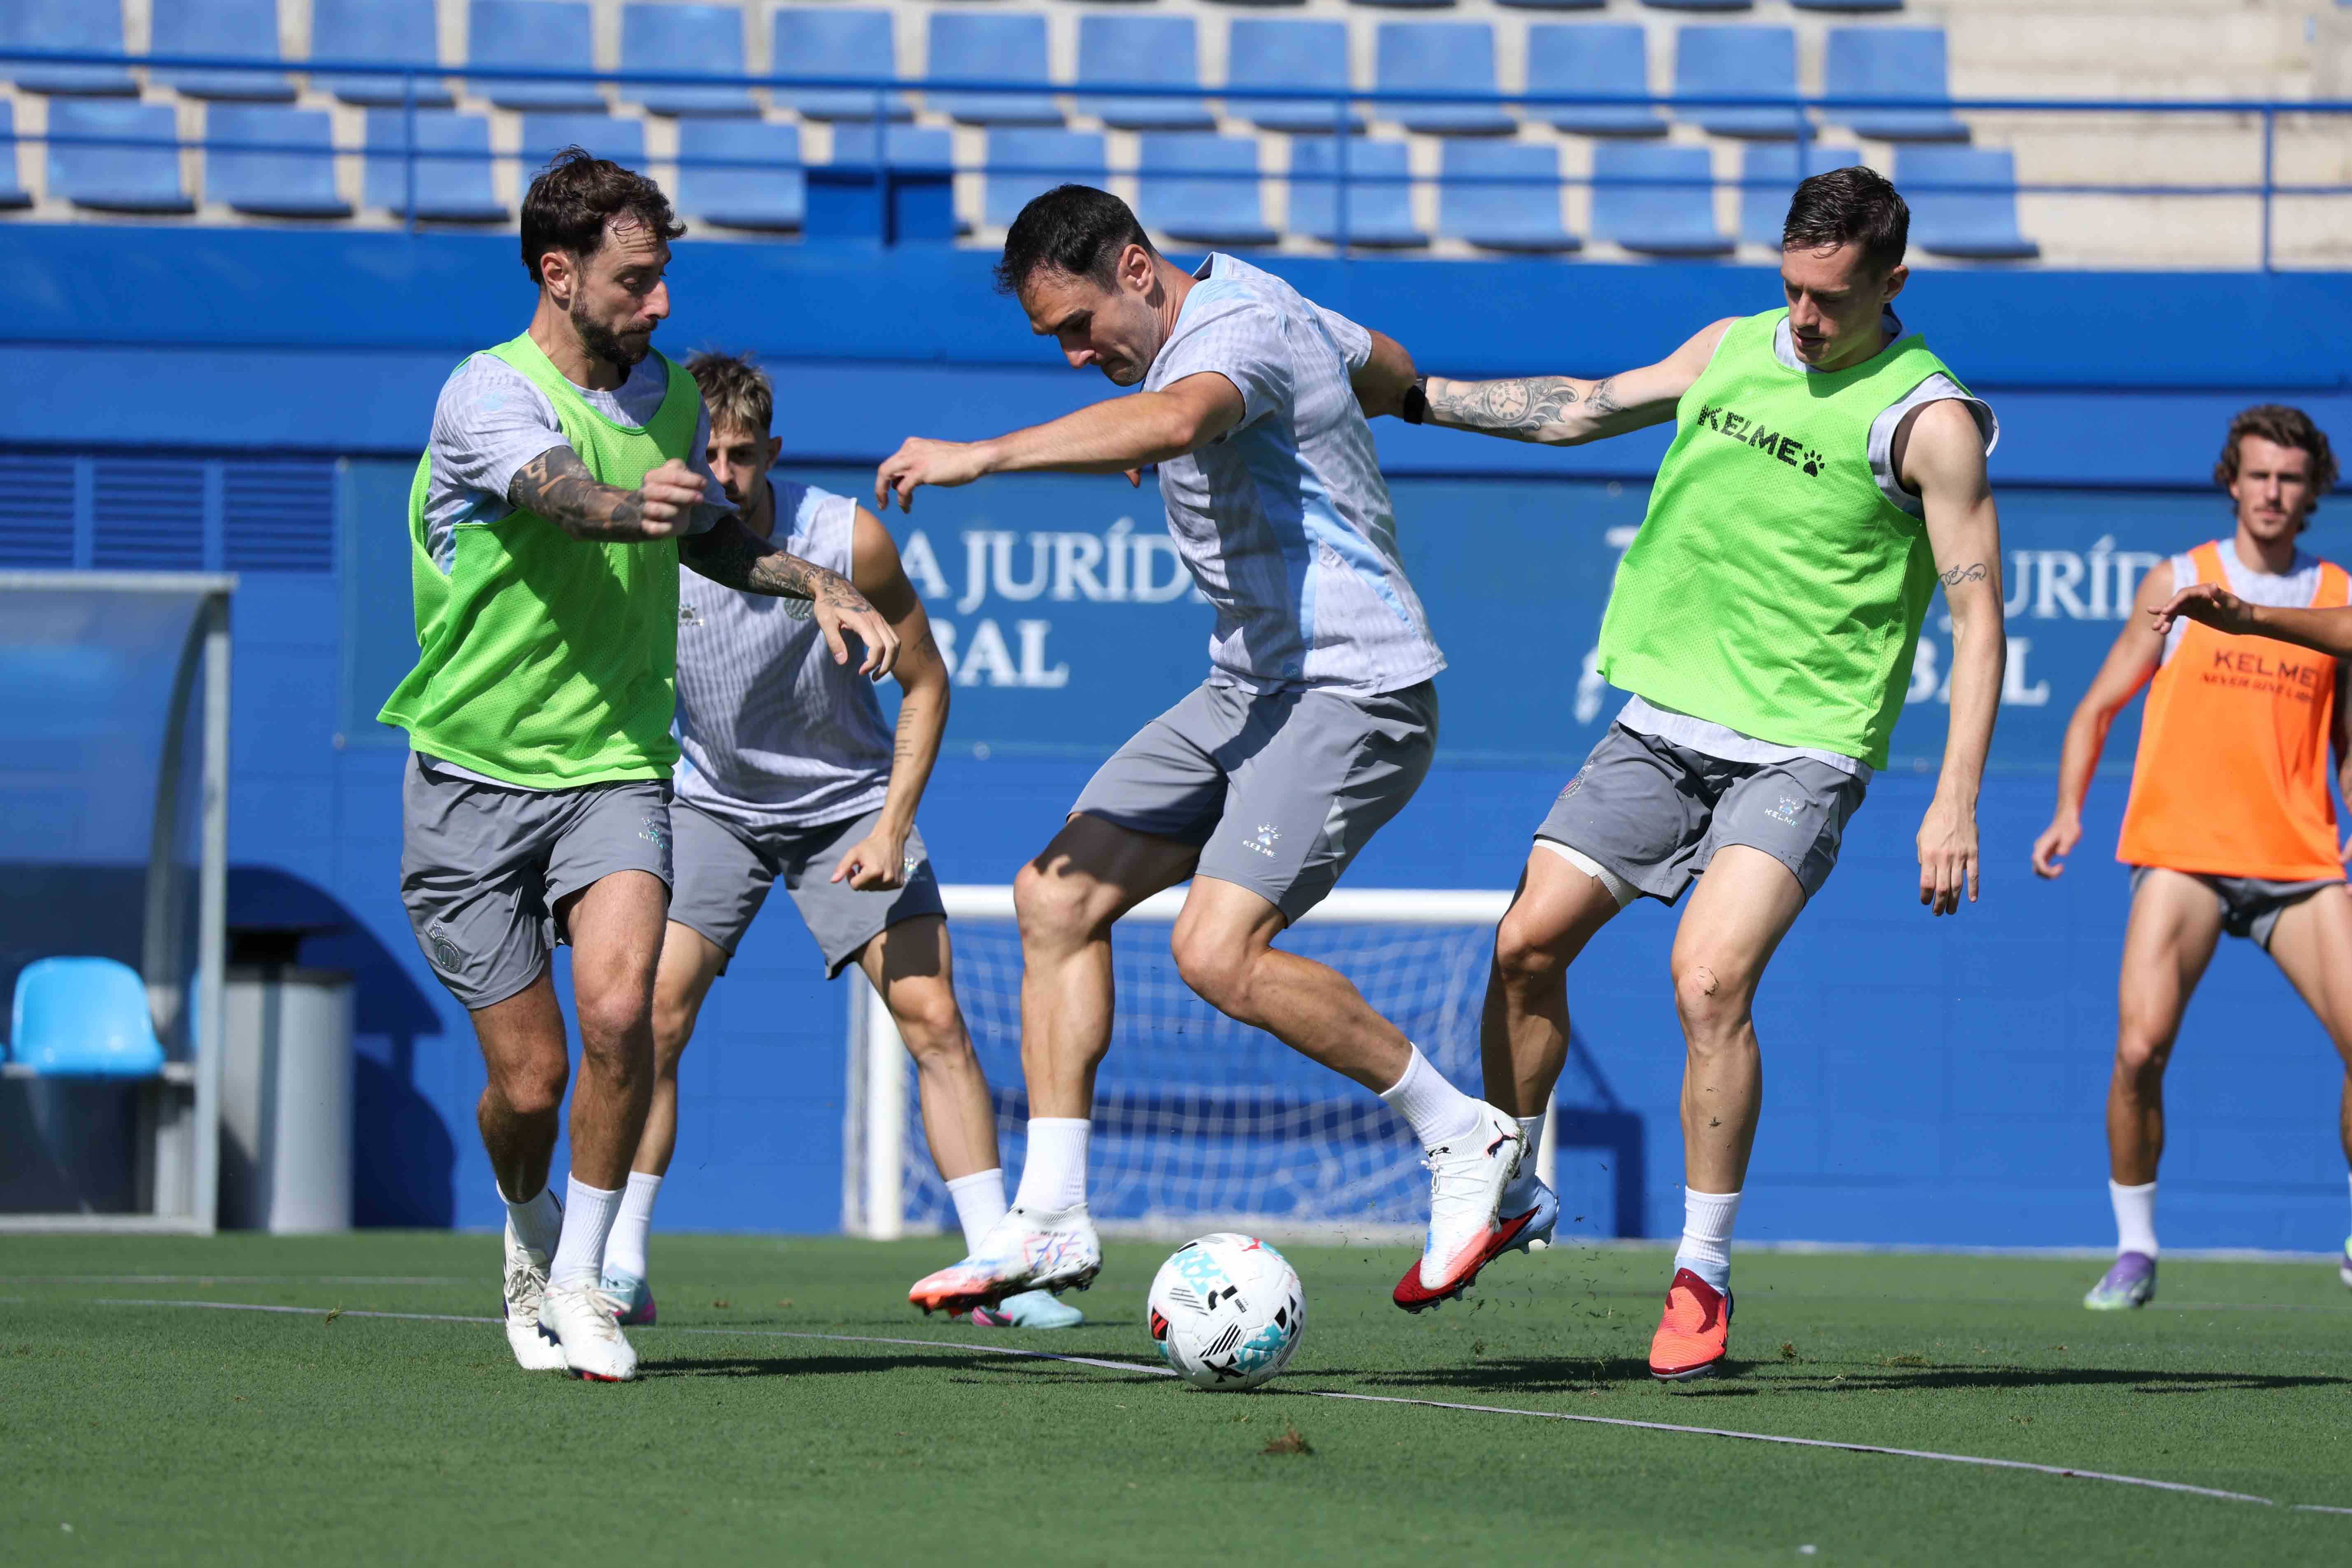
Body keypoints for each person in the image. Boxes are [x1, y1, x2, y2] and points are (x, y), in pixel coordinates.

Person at [875, 184, 1527, 1317]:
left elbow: (1183, 418)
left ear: (1136, 269)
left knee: (1215, 952)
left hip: (1352, 690)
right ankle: (1050, 1215)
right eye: (1054, 340)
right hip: (1249, 687)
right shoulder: (1258, 301)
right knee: (1053, 897)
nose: (1075, 355)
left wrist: (985, 456)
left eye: (1079, 326)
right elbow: (1385, 366)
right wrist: (1319, 418)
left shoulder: (1236, 329)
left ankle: (1463, 1135)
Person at [1410, 167, 2005, 1377]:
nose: (1803, 317)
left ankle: (1700, 1274)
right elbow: (1579, 409)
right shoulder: (1732, 346)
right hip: (1662, 725)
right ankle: (1507, 1182)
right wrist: (1414, 398)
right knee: (1524, 944)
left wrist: (1954, 798)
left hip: (1804, 745)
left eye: (1829, 298)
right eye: (1790, 288)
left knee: (1707, 979)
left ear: (1893, 280)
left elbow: (1977, 617)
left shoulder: (1927, 421)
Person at [379, 150, 897, 1382]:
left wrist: (819, 582)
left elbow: (705, 538)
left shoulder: (665, 395)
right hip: (469, 773)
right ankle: (529, 1232)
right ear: (558, 275)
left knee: (622, 1015)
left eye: (664, 277)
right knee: (530, 1084)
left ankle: (585, 1282)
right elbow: (568, 499)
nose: (659, 304)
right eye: (634, 281)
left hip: (615, 764)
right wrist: (644, 507)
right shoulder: (487, 397)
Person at [596, 352, 1078, 1330]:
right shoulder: (649, 539)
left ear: (772, 453)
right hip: (712, 804)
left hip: (849, 805)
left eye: (740, 455)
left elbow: (928, 684)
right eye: (704, 455)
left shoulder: (846, 537)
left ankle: (997, 1274)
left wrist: (892, 827)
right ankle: (618, 1268)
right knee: (650, 1018)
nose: (722, 474)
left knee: (933, 1016)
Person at [2045, 407, 2352, 1306]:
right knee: (2139, 1049)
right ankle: (2135, 1248)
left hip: (2298, 861)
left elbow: (2346, 745)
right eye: (2258, 475)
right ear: (2232, 481)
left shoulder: (2337, 595)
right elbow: (2096, 707)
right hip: (2182, 854)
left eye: (2289, 478)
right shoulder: (2179, 581)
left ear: (2311, 491)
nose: (2272, 492)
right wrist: (2067, 811)